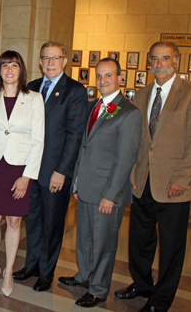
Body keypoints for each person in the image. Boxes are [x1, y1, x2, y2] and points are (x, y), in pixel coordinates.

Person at [115, 41, 191, 312]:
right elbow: (136, 139)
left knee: (171, 246)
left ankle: (161, 298)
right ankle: (142, 284)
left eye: (165, 58)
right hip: (142, 181)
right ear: (149, 61)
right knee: (139, 240)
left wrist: (182, 177)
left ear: (176, 62)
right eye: (155, 58)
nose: (160, 63)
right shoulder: (142, 94)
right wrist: (133, 172)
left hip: (174, 184)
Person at [58, 58, 142, 308]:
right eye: (99, 76)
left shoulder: (129, 113)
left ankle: (98, 289)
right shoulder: (93, 106)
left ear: (119, 79)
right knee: (84, 238)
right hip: (85, 188)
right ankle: (84, 276)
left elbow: (124, 160)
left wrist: (111, 195)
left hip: (107, 193)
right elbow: (85, 147)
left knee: (103, 244)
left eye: (109, 76)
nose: (103, 81)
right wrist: (77, 184)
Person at [13, 41, 88, 292]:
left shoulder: (75, 91)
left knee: (52, 223)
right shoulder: (31, 87)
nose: (50, 63)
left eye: (56, 58)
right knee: (32, 220)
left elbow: (74, 135)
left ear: (64, 61)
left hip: (55, 171)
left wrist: (62, 171)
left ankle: (46, 272)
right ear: (40, 61)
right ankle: (31, 265)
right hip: (30, 170)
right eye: (46, 58)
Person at [0, 50, 44, 297]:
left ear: (21, 70)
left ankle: (9, 272)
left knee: (14, 221)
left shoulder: (34, 99)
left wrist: (27, 176)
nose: (9, 69)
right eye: (4, 65)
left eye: (14, 65)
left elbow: (38, 141)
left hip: (19, 168)